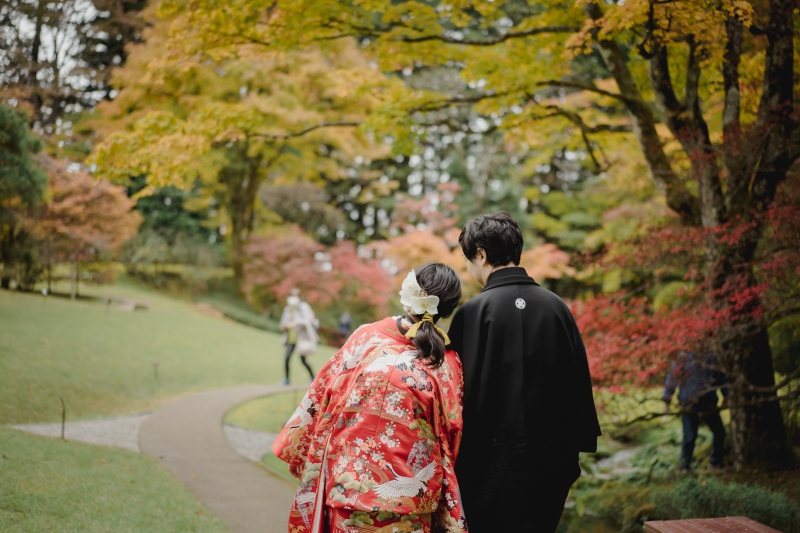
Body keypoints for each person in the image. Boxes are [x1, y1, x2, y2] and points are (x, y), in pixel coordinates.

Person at [272, 263, 468, 533]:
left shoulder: (366, 337)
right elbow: (452, 433)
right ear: (449, 307)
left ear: (409, 292)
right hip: (411, 504)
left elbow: (321, 392)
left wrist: (301, 453)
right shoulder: (448, 362)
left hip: (348, 488)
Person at [447, 211, 601, 533]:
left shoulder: (472, 313)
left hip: (488, 459)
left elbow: (456, 392)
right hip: (551, 457)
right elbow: (577, 382)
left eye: (468, 260)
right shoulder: (556, 306)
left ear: (481, 254)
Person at [662, 352, 729, 470]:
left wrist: (726, 396)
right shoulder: (683, 358)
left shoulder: (712, 357)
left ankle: (715, 462)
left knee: (720, 432)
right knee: (689, 437)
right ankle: (684, 466)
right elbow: (672, 379)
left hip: (709, 403)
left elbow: (722, 378)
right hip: (689, 405)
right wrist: (666, 400)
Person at [279, 288, 317, 385]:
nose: (294, 298)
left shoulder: (304, 306)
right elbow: (283, 322)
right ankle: (287, 379)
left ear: (299, 297)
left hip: (301, 338)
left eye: (296, 296)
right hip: (290, 338)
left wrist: (296, 323)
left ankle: (313, 378)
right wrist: (284, 326)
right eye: (292, 295)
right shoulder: (287, 308)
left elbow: (308, 320)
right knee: (287, 358)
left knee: (303, 361)